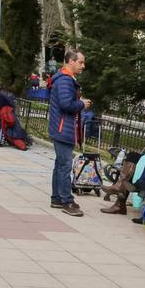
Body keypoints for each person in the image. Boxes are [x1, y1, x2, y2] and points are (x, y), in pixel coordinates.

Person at [48, 49, 90, 216]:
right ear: (71, 61)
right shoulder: (65, 80)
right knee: (65, 166)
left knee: (60, 165)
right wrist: (81, 104)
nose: (83, 66)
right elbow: (66, 104)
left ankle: (57, 198)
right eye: (80, 62)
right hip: (63, 128)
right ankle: (66, 201)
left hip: (61, 127)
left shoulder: (64, 78)